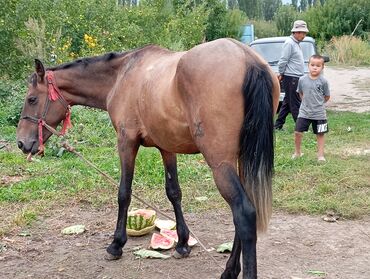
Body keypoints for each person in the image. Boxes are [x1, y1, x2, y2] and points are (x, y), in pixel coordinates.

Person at [292, 54, 330, 162]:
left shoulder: (324, 81)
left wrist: (318, 104)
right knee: (298, 132)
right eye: (312, 65)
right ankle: (297, 152)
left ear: (322, 67)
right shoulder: (302, 80)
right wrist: (307, 103)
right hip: (304, 112)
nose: (315, 67)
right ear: (308, 65)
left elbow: (327, 96)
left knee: (320, 133)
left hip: (319, 113)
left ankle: (320, 155)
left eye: (318, 65)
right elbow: (301, 93)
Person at [274, 20, 309, 130]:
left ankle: (277, 126)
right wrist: (281, 73)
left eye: (305, 33)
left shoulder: (296, 43)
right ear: (296, 32)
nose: (304, 35)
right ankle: (300, 127)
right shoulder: (289, 43)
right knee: (295, 103)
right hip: (291, 77)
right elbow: (283, 60)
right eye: (303, 33)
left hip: (295, 77)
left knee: (287, 103)